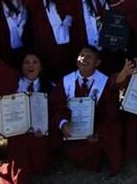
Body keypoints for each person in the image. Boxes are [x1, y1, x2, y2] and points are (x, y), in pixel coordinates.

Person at [0, 44, 53, 183]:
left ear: (41, 67)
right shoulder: (15, 81)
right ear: (21, 66)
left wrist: (45, 128)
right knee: (20, 152)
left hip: (40, 131)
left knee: (40, 158)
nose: (31, 65)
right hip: (18, 130)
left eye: (35, 62)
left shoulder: (50, 87)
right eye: (27, 62)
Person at [51, 46, 124, 176]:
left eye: (89, 56)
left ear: (97, 63)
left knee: (113, 131)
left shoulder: (105, 82)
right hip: (72, 127)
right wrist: (62, 124)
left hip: (97, 126)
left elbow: (111, 112)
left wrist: (98, 132)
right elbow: (54, 106)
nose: (83, 59)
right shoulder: (66, 81)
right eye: (81, 55)